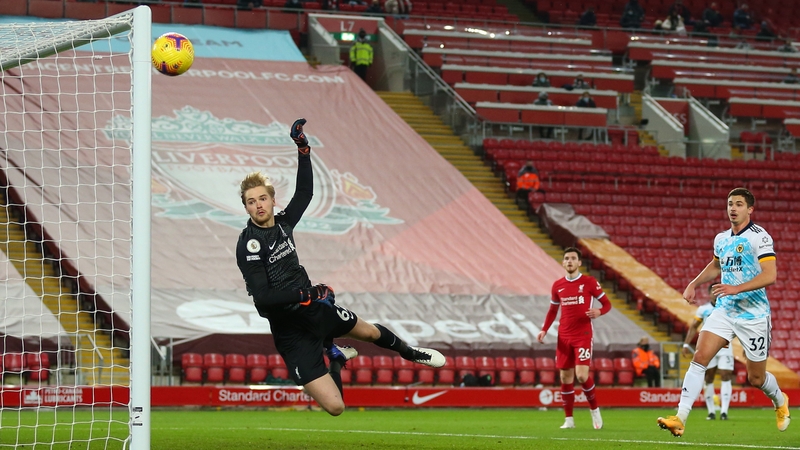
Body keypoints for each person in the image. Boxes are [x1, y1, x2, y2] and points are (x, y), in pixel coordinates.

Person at [235, 118, 445, 416]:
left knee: (370, 333)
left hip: (314, 309)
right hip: (289, 331)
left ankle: (412, 353)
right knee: (335, 407)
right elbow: (263, 298)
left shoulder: (283, 225)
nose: (258, 205)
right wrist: (304, 294)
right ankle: (334, 356)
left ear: (271, 200)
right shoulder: (249, 244)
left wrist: (303, 149)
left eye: (262, 198)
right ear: (244, 206)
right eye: (251, 201)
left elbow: (305, 194)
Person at [657, 187, 790, 437]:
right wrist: (693, 283)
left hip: (754, 316)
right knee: (700, 357)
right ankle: (680, 417)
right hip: (725, 311)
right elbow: (715, 265)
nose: (733, 208)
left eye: (739, 204)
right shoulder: (721, 239)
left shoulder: (759, 237)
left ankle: (779, 400)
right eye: (730, 203)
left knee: (756, 378)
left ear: (750, 209)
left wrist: (735, 288)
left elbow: (770, 275)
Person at [537, 247, 611, 430]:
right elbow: (553, 310)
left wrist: (599, 311)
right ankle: (569, 420)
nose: (569, 261)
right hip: (564, 336)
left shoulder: (589, 282)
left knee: (581, 375)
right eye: (567, 258)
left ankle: (595, 410)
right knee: (565, 376)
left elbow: (607, 303)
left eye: (573, 258)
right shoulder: (557, 285)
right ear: (563, 263)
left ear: (579, 263)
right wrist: (544, 330)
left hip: (583, 335)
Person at [682, 295, 734, 421]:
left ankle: (724, 412)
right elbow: (694, 326)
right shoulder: (703, 309)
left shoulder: (730, 308)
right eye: (713, 292)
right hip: (709, 346)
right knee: (708, 377)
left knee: (725, 375)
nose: (716, 295)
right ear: (710, 293)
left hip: (725, 346)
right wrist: (686, 343)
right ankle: (711, 411)